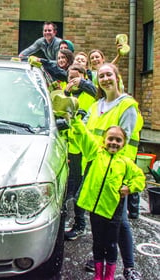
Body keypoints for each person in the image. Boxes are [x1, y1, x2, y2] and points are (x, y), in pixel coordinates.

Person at [82, 63, 144, 280]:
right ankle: (99, 258)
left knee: (120, 222)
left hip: (117, 174)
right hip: (95, 169)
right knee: (98, 219)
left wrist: (125, 180)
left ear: (117, 77)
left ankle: (129, 266)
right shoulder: (96, 106)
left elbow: (124, 142)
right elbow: (86, 135)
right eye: (101, 76)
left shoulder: (126, 105)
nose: (105, 79)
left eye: (109, 74)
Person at [67, 117, 145, 280]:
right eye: (110, 138)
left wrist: (129, 187)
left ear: (123, 143)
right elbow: (84, 133)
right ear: (104, 140)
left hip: (113, 211)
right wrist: (73, 119)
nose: (114, 143)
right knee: (97, 243)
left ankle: (108, 276)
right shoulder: (95, 153)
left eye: (118, 140)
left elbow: (140, 177)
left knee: (110, 245)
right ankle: (98, 275)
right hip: (96, 211)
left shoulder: (125, 163)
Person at [63, 63, 97, 240]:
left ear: (84, 76)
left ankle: (80, 224)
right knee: (71, 188)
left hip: (87, 149)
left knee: (80, 191)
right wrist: (67, 93)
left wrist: (82, 83)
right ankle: (75, 222)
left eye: (76, 77)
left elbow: (98, 92)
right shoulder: (65, 92)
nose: (73, 81)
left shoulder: (91, 93)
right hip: (70, 148)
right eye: (70, 77)